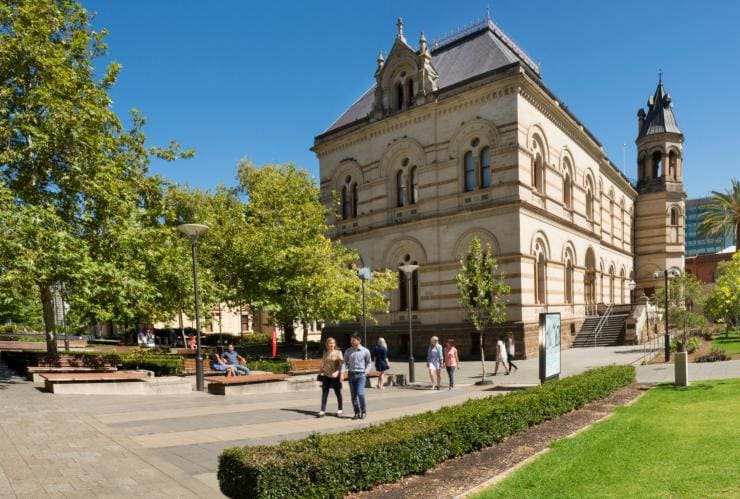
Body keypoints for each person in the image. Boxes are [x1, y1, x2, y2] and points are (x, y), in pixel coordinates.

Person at [344, 334, 372, 420]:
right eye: (351, 341)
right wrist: (345, 369)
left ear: (358, 341)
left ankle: (363, 411)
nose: (351, 342)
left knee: (360, 393)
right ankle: (356, 412)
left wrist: (366, 372)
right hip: (351, 374)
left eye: (353, 340)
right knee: (353, 395)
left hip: (361, 375)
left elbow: (369, 362)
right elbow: (345, 362)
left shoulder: (365, 351)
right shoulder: (348, 351)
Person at [318, 337, 344, 417]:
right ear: (327, 344)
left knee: (337, 393)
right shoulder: (325, 353)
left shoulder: (338, 352)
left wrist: (337, 372)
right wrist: (320, 371)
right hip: (326, 375)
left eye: (333, 343)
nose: (331, 344)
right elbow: (323, 363)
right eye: (330, 343)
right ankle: (322, 410)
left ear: (335, 344)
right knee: (325, 393)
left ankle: (340, 409)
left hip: (335, 376)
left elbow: (342, 364)